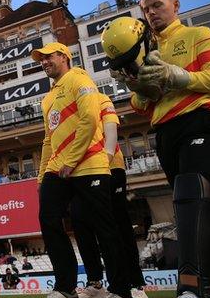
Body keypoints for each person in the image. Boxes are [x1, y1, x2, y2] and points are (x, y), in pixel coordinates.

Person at [102, 0, 210, 298]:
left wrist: (179, 75)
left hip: (200, 121)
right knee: (196, 211)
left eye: (158, 5)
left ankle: (192, 287)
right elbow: (142, 104)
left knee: (192, 199)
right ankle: (205, 283)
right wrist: (139, 87)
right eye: (146, 10)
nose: (152, 13)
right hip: (166, 133)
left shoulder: (199, 35)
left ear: (176, 4)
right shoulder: (144, 48)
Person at [33, 42, 131, 298]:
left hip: (89, 164)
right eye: (40, 60)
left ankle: (121, 289)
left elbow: (89, 119)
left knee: (104, 226)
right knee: (48, 218)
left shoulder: (80, 79)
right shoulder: (48, 98)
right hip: (59, 168)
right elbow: (47, 138)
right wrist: (43, 175)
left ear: (64, 56)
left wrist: (72, 159)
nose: (44, 62)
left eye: (49, 57)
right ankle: (66, 287)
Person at [70, 93, 147, 298]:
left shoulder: (99, 98)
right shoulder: (65, 105)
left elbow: (111, 134)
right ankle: (95, 283)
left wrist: (104, 163)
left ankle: (133, 284)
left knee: (118, 224)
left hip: (110, 167)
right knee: (81, 222)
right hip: (80, 172)